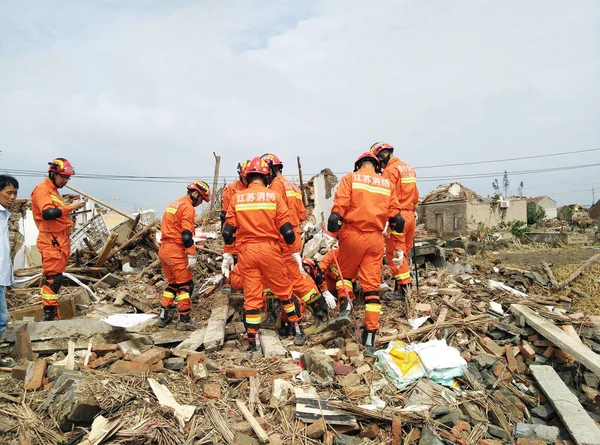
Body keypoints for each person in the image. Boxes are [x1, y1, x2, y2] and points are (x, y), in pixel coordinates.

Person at [222, 157, 304, 351]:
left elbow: (227, 232)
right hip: (270, 250)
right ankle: (297, 328)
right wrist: (294, 253)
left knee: (252, 297)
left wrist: (227, 255)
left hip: (246, 253)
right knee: (284, 290)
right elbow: (288, 230)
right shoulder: (273, 197)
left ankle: (253, 342)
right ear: (267, 176)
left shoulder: (237, 198)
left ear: (248, 177)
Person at [327, 152, 404, 356]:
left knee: (345, 275)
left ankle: (345, 309)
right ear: (376, 167)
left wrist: (330, 235)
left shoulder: (350, 178)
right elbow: (397, 219)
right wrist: (398, 248)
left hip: (352, 235)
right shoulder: (386, 184)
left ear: (358, 165)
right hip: (375, 239)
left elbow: (337, 213)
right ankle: (369, 338)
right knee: (371, 289)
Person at [260, 154, 319, 321]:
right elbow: (302, 214)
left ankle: (277, 317)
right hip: (294, 235)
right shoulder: (294, 188)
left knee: (279, 277)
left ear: (271, 169)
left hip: (281, 237)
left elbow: (271, 216)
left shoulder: (275, 187)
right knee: (292, 276)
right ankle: (306, 312)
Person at [31, 158, 86, 321]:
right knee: (52, 280)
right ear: (53, 173)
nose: (66, 181)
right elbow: (48, 214)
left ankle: (53, 315)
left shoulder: (54, 192)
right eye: (63, 177)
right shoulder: (43, 190)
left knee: (56, 279)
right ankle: (50, 317)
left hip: (58, 240)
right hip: (51, 241)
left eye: (68, 178)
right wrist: (71, 207)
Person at [158, 180, 210, 330]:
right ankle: (184, 320)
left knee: (173, 285)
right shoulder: (187, 207)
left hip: (164, 250)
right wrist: (192, 254)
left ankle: (163, 317)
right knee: (185, 286)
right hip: (176, 251)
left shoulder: (173, 204)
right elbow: (186, 237)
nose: (200, 203)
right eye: (201, 199)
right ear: (195, 194)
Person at [370, 141, 419, 300]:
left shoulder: (390, 172)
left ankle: (403, 289)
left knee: (394, 254)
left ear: (383, 155)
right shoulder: (409, 169)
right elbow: (416, 194)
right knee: (403, 252)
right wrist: (413, 208)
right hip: (410, 215)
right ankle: (402, 285)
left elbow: (385, 198)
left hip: (397, 218)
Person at [220, 161, 249, 288]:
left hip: (251, 231)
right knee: (230, 259)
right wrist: (227, 239)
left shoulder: (260, 190)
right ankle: (228, 280)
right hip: (234, 229)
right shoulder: (232, 189)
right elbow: (225, 216)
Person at [0, 175, 19, 338]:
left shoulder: (3, 215)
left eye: (15, 193)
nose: (12, 197)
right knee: (2, 320)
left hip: (1, 276)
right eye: (8, 192)